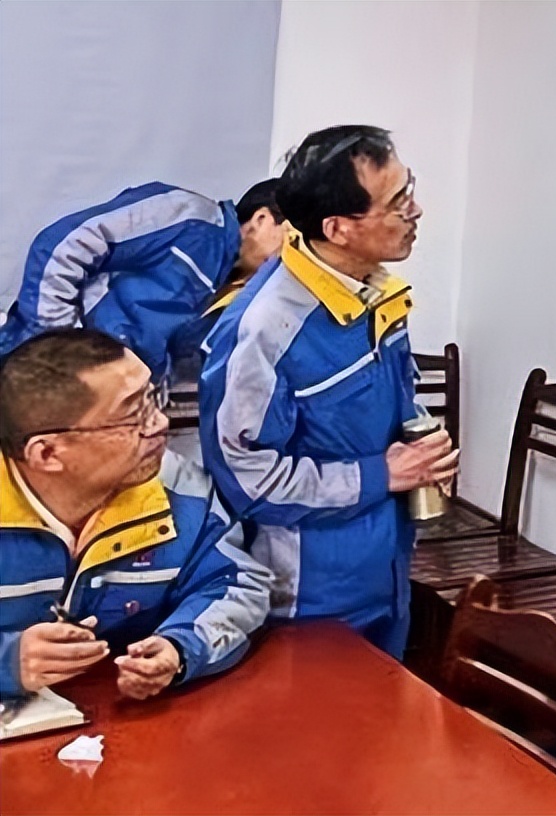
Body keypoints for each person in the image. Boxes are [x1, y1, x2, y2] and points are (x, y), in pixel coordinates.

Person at [199, 125, 458, 659]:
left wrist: (424, 451)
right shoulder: (263, 329)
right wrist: (382, 474)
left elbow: (390, 402)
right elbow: (246, 479)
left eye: (409, 188)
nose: (416, 210)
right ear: (338, 228)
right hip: (309, 600)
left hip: (386, 570)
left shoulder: (375, 293)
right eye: (397, 202)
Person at [0, 329, 272, 700]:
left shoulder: (181, 489)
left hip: (122, 716)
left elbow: (234, 584)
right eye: (133, 416)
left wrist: (179, 649)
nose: (159, 422)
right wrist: (8, 662)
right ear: (47, 454)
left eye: (151, 398)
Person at [0, 179, 288, 384]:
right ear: (262, 218)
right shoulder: (189, 217)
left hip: (95, 403)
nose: (290, 259)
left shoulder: (241, 297)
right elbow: (62, 246)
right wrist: (61, 350)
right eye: (292, 241)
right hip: (33, 371)